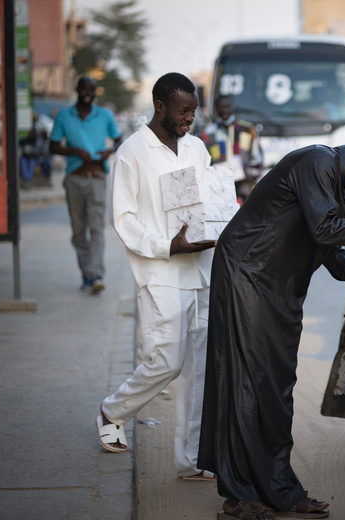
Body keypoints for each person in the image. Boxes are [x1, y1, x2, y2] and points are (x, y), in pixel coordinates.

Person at [198, 131, 345, 520]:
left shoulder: (334, 187)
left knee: (277, 388)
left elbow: (331, 255)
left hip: (277, 287)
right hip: (247, 277)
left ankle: (279, 489)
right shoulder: (317, 163)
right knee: (247, 386)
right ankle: (237, 497)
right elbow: (325, 230)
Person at [95, 73, 217, 481]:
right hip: (160, 270)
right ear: (160, 106)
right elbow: (123, 219)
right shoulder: (133, 153)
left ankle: (191, 459)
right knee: (165, 360)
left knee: (198, 369)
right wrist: (168, 245)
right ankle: (113, 411)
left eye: (194, 111)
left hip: (200, 270)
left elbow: (209, 199)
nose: (190, 119)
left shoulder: (197, 148)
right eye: (184, 111)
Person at [50, 76, 123, 293]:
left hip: (98, 178)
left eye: (91, 89)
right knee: (78, 231)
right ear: (77, 90)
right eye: (84, 89)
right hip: (74, 178)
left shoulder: (105, 115)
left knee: (96, 227)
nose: (87, 93)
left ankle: (96, 275)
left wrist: (108, 151)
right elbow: (53, 146)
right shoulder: (64, 116)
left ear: (95, 92)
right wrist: (74, 151)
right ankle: (87, 273)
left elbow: (119, 139)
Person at [198, 95, 262, 202]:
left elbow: (257, 158)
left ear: (233, 107)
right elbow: (204, 162)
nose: (225, 110)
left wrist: (249, 175)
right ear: (216, 109)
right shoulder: (207, 133)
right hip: (220, 188)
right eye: (221, 107)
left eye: (227, 106)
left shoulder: (248, 129)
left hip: (245, 187)